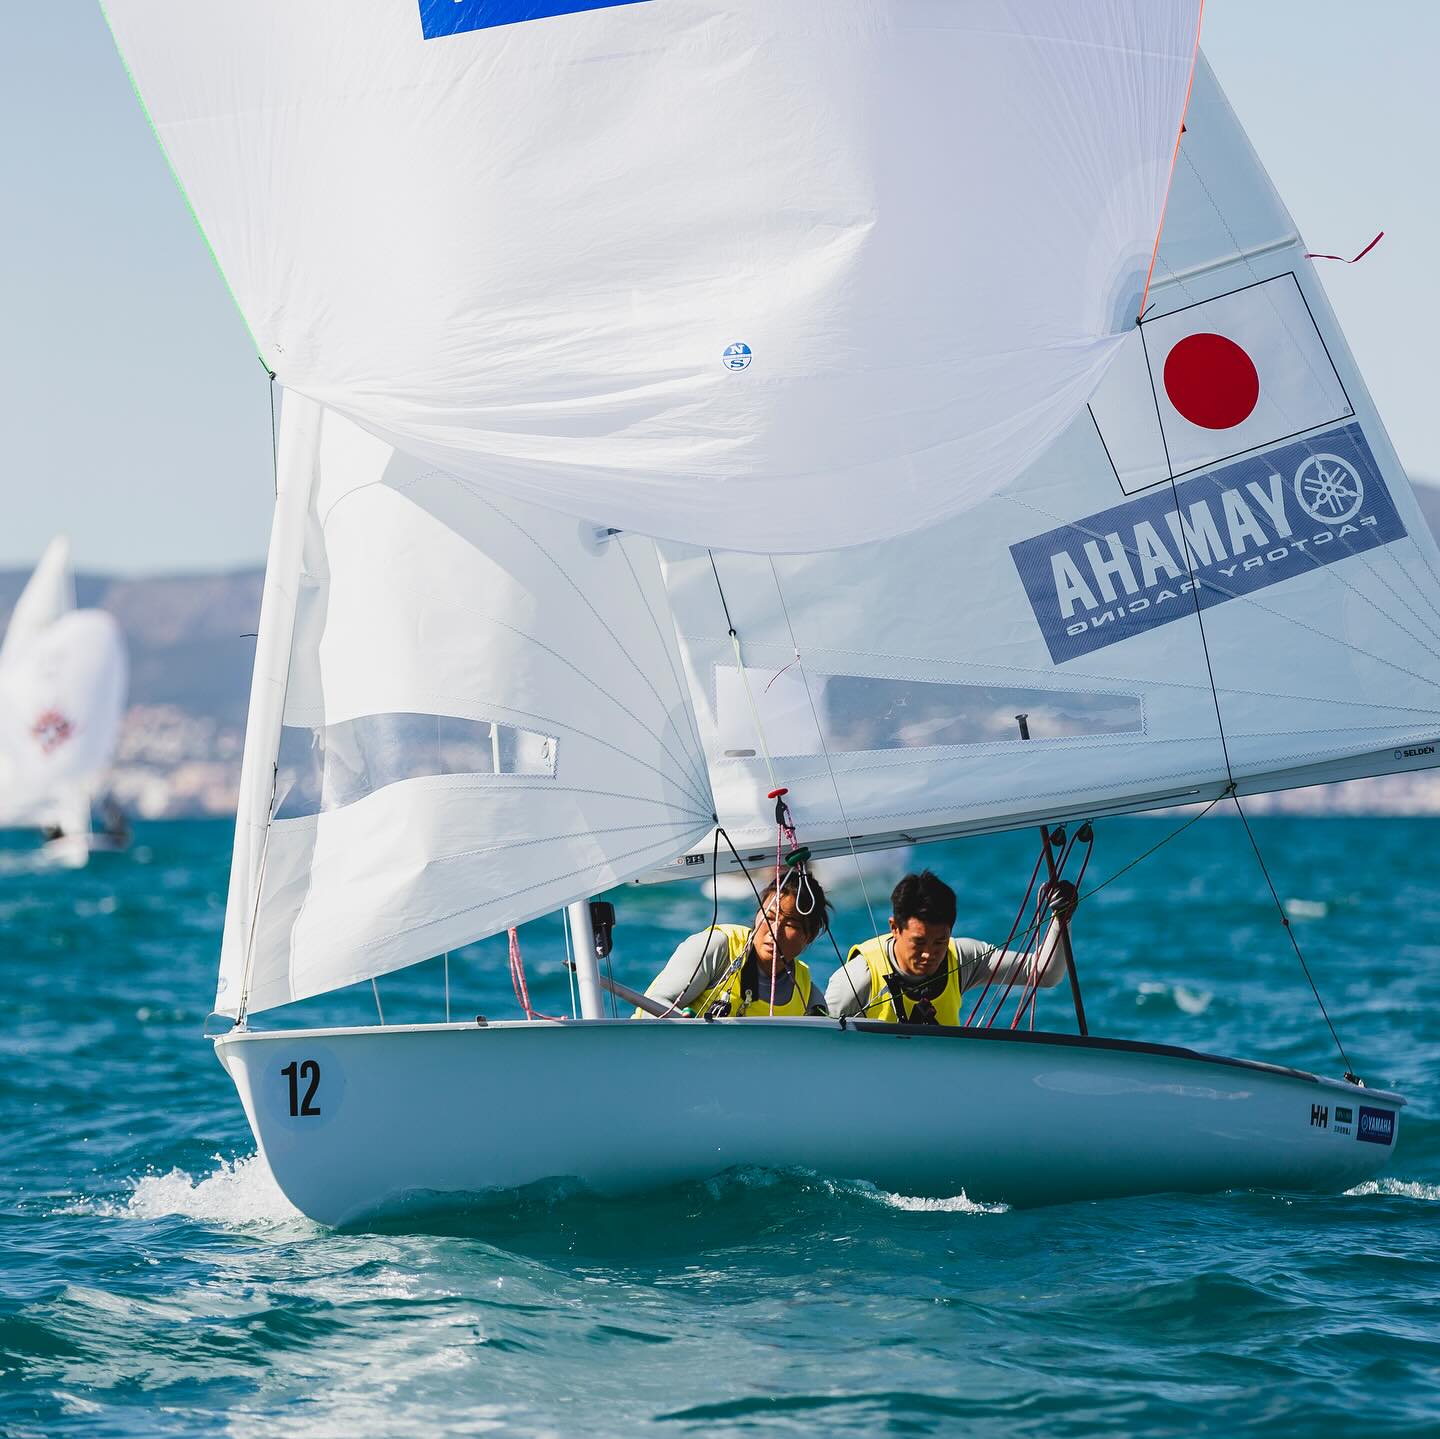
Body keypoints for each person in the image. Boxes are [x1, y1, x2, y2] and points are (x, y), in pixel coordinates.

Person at [826, 869, 1077, 1025]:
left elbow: (1044, 974)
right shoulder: (857, 979)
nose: (929, 954)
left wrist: (1061, 920)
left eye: (939, 942)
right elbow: (814, 1046)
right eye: (919, 941)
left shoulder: (961, 957)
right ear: (894, 927)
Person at [636, 868, 832, 1018]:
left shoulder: (807, 995)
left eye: (790, 924)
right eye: (769, 917)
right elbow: (651, 1007)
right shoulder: (718, 948)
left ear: (810, 935)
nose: (774, 931)